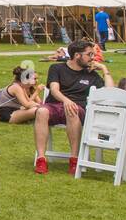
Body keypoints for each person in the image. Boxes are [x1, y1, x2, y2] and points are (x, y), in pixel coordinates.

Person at [41, 39, 113, 174]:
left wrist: (104, 69)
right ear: (77, 55)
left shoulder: (91, 73)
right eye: (89, 54)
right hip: (56, 105)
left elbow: (109, 92)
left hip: (78, 109)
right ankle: (41, 159)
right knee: (41, 111)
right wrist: (66, 100)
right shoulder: (57, 68)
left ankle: (74, 159)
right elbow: (54, 89)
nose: (93, 58)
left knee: (72, 111)